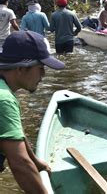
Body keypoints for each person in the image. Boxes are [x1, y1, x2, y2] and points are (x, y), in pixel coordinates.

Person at [0, 31, 65, 193]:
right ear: (21, 68)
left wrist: (35, 160)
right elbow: (20, 164)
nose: (43, 76)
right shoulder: (4, 99)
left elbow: (15, 133)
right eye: (41, 68)